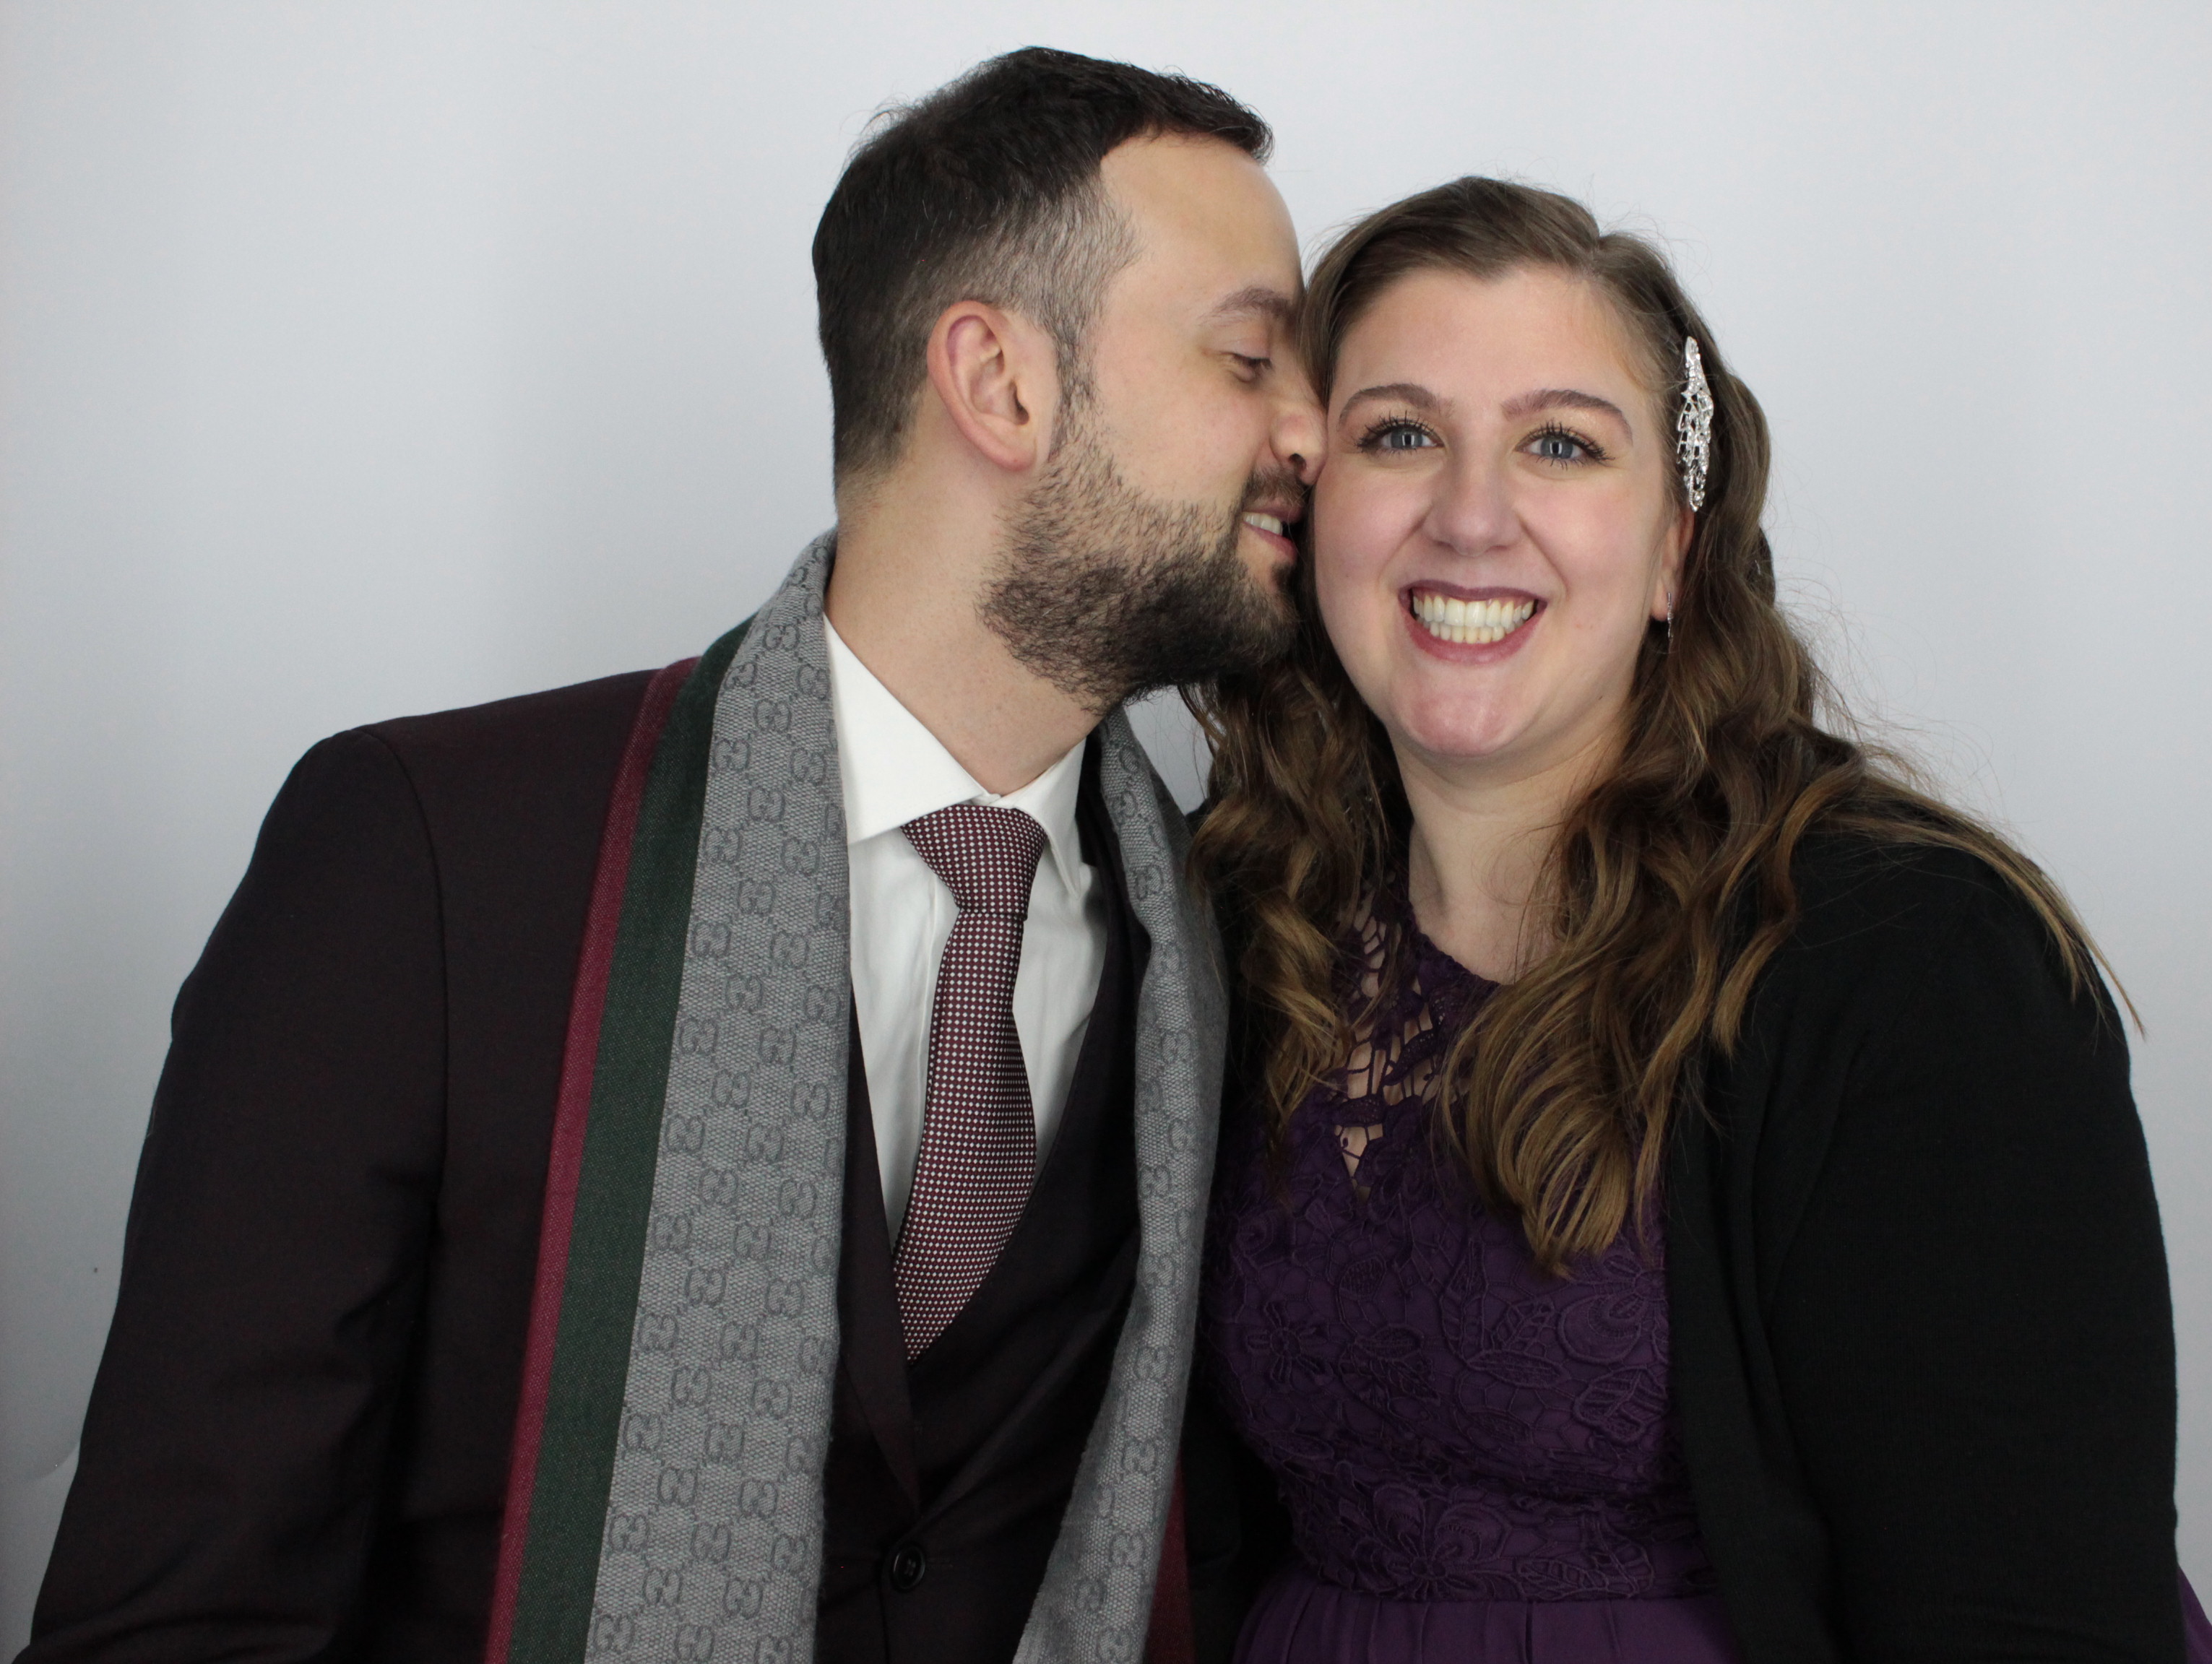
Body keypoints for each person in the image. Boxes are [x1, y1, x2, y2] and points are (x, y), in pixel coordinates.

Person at [23, 48, 1319, 1664]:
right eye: (1251, 357)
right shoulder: (422, 862)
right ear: (999, 383)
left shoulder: (1233, 937)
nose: (1313, 429)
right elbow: (183, 1620)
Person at [1188, 178, 2212, 1663]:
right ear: (1309, 511)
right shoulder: (1239, 926)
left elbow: (2030, 1620)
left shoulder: (1914, 966)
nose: (1471, 516)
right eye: (1400, 434)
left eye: (1561, 443)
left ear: (1677, 548)